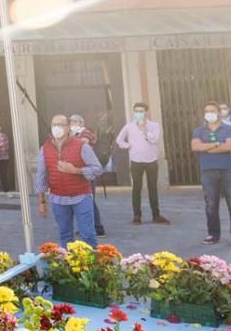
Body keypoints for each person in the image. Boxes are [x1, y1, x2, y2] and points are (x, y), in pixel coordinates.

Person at [36, 115, 103, 248]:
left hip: (81, 196)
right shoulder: (45, 149)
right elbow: (41, 175)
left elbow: (97, 169)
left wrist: (76, 171)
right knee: (65, 235)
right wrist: (41, 201)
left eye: (60, 124)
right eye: (54, 125)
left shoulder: (81, 146)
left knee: (88, 235)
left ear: (68, 128)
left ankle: (91, 266)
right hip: (58, 199)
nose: (57, 128)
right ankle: (70, 265)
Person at [192, 101, 231, 247]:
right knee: (211, 204)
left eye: (212, 110)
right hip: (208, 170)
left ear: (218, 113)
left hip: (229, 170)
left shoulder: (230, 128)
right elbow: (195, 146)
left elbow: (230, 146)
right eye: (206, 111)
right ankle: (213, 234)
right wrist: (217, 144)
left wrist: (207, 148)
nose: (209, 113)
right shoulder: (199, 131)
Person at [115, 103, 170, 225]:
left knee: (152, 188)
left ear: (146, 112)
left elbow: (155, 140)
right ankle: (137, 215)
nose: (139, 113)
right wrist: (128, 146)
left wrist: (144, 130)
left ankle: (156, 215)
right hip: (136, 160)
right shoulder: (129, 126)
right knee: (136, 188)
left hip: (151, 160)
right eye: (136, 111)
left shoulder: (154, 125)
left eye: (141, 111)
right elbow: (119, 139)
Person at [69, 114, 106, 237]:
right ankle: (85, 226)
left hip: (88, 172)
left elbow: (82, 143)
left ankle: (98, 227)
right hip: (77, 172)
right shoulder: (72, 135)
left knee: (89, 200)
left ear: (80, 123)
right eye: (70, 122)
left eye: (74, 121)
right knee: (80, 201)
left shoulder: (86, 132)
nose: (71, 124)